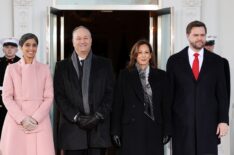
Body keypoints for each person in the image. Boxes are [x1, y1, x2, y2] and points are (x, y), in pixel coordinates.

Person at [166, 20, 229, 155]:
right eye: (196, 35)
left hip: (208, 124)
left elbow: (222, 94)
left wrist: (223, 120)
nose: (200, 38)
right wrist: (168, 125)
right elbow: (169, 95)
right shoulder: (174, 61)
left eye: (202, 35)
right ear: (188, 35)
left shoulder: (217, 62)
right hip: (181, 124)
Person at [54, 26, 114, 155]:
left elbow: (110, 94)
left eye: (86, 38)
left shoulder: (105, 64)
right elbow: (59, 96)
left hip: (98, 130)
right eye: (78, 38)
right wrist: (76, 117)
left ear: (91, 40)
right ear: (73, 41)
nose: (82, 41)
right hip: (72, 130)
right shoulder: (61, 67)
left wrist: (98, 116)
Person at [111, 40, 171, 155]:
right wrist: (115, 131)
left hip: (154, 128)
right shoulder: (125, 75)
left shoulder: (161, 75)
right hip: (131, 129)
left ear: (150, 55)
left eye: (146, 52)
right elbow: (118, 105)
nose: (143, 55)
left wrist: (167, 130)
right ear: (134, 55)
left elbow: (166, 105)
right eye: (139, 52)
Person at [0, 33, 55, 155]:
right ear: (21, 47)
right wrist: (22, 118)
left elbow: (49, 97)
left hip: (40, 122)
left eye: (34, 45)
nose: (31, 48)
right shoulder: (11, 69)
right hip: (16, 121)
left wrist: (35, 119)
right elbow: (7, 97)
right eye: (27, 45)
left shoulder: (45, 68)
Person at [0, 38, 20, 137]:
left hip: (17, 101)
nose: (9, 50)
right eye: (7, 47)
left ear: (17, 49)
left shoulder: (22, 63)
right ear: (3, 49)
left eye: (12, 47)